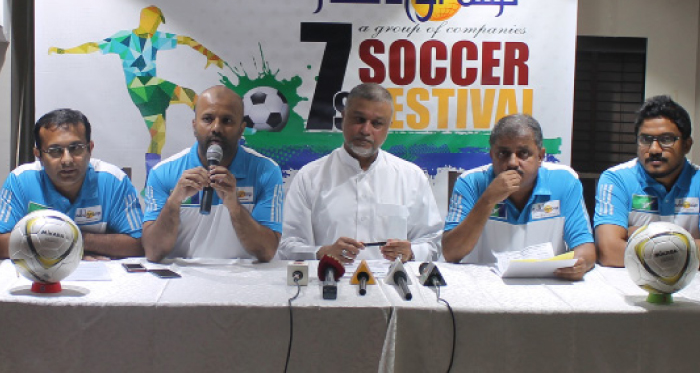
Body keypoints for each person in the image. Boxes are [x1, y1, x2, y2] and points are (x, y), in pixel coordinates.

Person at [48, 5, 226, 180]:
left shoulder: (156, 39)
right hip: (141, 87)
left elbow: (185, 40)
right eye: (154, 21)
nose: (155, 26)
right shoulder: (125, 39)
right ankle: (218, 134)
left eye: (158, 23)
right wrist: (64, 51)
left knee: (158, 138)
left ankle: (151, 180)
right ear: (144, 18)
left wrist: (210, 55)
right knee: (190, 96)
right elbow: (93, 46)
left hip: (151, 94)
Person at [278, 83, 442, 264]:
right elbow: (287, 246)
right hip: (329, 286)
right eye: (359, 119)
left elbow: (433, 243)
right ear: (343, 118)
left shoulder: (411, 177)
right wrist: (321, 252)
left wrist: (411, 252)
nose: (365, 130)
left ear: (389, 127)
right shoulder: (310, 177)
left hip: (393, 288)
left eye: (377, 123)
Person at [442, 114, 595, 280]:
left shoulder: (565, 181)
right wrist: (488, 200)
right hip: (487, 286)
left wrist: (580, 264)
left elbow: (585, 248)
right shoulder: (470, 183)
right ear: (492, 155)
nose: (513, 163)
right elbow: (451, 253)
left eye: (523, 153)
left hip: (546, 284)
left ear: (540, 157)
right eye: (503, 153)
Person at [142, 85, 283, 262]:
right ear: (194, 126)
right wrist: (174, 202)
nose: (216, 128)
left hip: (245, 283)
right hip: (182, 282)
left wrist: (234, 206)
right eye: (208, 119)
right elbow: (153, 252)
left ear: (241, 129)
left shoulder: (267, 171)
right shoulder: (162, 173)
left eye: (227, 120)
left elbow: (267, 251)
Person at [0, 109, 144, 259]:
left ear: (90, 149)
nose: (67, 160)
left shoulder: (114, 181)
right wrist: (68, 246)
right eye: (55, 151)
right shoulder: (20, 181)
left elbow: (140, 243)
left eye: (76, 148)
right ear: (39, 156)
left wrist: (77, 241)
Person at [594, 95, 700, 267]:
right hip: (631, 285)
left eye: (666, 139)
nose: (654, 149)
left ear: (687, 145)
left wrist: (642, 236)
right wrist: (687, 247)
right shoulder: (616, 179)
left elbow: (620, 251)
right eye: (646, 139)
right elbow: (610, 253)